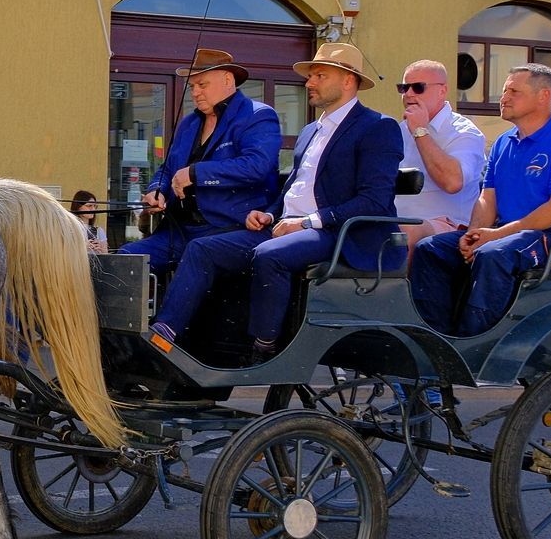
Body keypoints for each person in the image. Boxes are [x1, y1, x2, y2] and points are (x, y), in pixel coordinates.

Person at [148, 43, 402, 364]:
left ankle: (264, 348)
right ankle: (164, 335)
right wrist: (268, 214)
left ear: (348, 81)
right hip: (289, 227)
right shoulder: (312, 130)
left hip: (340, 233)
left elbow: (374, 201)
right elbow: (294, 188)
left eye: (320, 75)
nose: (309, 83)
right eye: (311, 76)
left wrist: (308, 222)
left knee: (270, 256)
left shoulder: (377, 127)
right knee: (204, 249)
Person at [411, 63, 551, 337]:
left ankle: (474, 344)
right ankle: (434, 339)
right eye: (504, 90)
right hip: (506, 233)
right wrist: (473, 233)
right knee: (431, 248)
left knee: (492, 255)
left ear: (543, 96)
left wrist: (495, 235)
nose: (503, 98)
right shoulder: (503, 142)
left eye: (513, 91)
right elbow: (488, 198)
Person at [119, 48, 280, 273]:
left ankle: (168, 311)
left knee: (196, 254)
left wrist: (195, 173)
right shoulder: (189, 123)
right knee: (125, 260)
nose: (195, 92)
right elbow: (168, 168)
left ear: (227, 80)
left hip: (227, 227)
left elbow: (255, 166)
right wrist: (158, 191)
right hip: (179, 230)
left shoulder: (257, 115)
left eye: (202, 85)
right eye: (192, 86)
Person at [393, 60, 486, 249]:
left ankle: (406, 280)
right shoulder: (398, 130)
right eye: (404, 88)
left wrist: (420, 131)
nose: (409, 94)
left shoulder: (464, 132)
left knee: (406, 232)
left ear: (442, 91)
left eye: (418, 87)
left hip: (450, 226)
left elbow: (452, 182)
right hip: (396, 220)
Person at [70, 189, 108, 254]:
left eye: (95, 206)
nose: (93, 209)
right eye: (89, 206)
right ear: (78, 207)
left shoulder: (98, 230)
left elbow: (106, 255)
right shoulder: (70, 230)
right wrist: (82, 247)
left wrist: (100, 249)